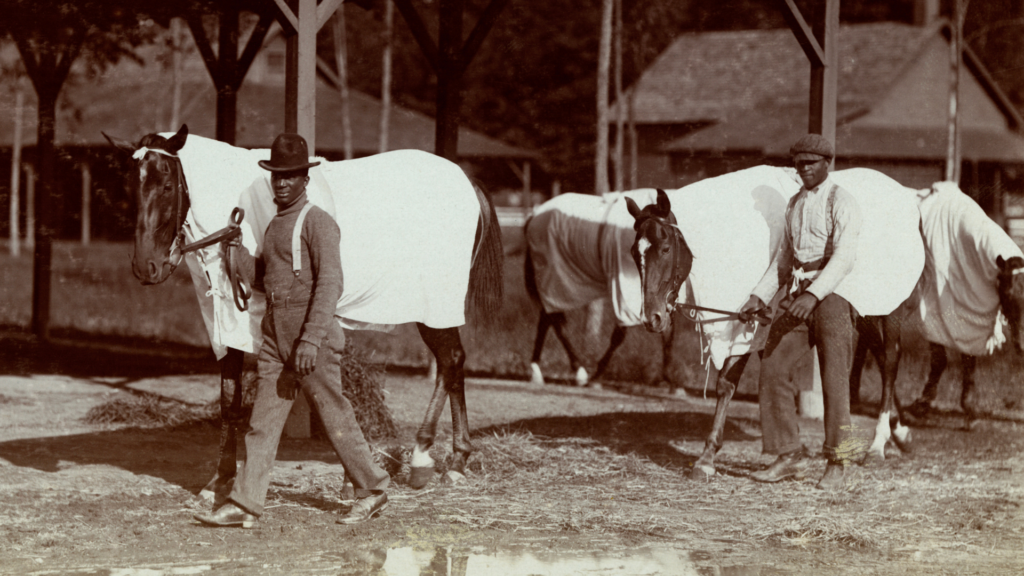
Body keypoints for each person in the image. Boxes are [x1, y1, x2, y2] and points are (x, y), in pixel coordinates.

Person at [195, 133, 390, 528]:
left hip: (309, 338)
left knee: (335, 414)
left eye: (290, 176)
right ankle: (245, 503)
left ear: (305, 179)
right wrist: (237, 254)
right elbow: (265, 279)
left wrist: (311, 339)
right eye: (276, 176)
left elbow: (330, 283)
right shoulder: (275, 227)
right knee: (262, 422)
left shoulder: (318, 222)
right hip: (275, 338)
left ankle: (372, 489)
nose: (281, 183)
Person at [738, 134, 863, 490]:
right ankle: (787, 455)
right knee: (773, 366)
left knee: (835, 378)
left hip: (835, 296)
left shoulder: (843, 201)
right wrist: (759, 297)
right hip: (797, 295)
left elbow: (844, 258)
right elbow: (783, 260)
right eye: (799, 163)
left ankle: (838, 463)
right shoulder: (793, 205)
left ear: (827, 163)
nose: (803, 169)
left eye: (811, 163)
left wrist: (814, 294)